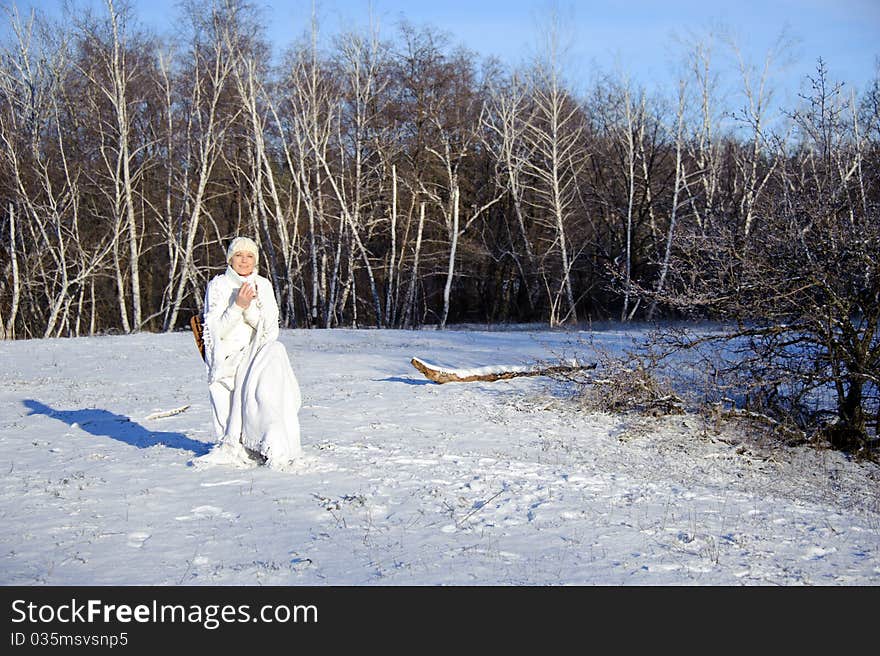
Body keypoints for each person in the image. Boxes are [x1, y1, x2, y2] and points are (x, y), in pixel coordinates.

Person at [197, 236, 302, 469]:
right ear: (230, 259)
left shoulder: (262, 285)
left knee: (276, 353)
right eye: (238, 255)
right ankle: (264, 440)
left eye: (249, 256)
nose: (244, 260)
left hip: (259, 352)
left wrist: (251, 311)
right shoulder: (218, 286)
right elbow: (215, 333)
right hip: (230, 356)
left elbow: (270, 332)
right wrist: (238, 306)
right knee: (272, 362)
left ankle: (276, 439)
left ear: (255, 260)